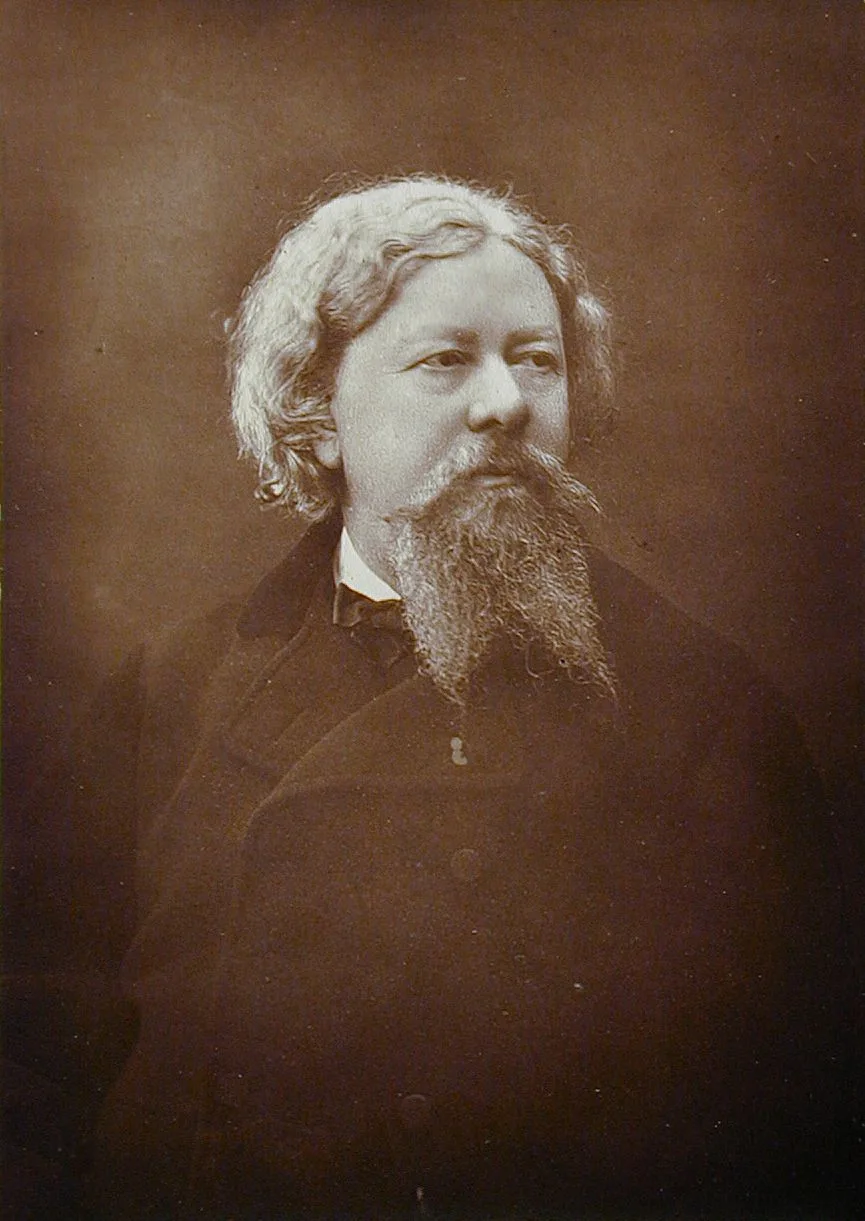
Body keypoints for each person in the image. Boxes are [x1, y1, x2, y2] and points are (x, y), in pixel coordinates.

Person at [4, 176, 855, 1220]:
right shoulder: (167, 697)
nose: (506, 403)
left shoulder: (706, 714)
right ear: (317, 414)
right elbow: (30, 1077)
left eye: (536, 359)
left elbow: (793, 1130)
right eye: (445, 360)